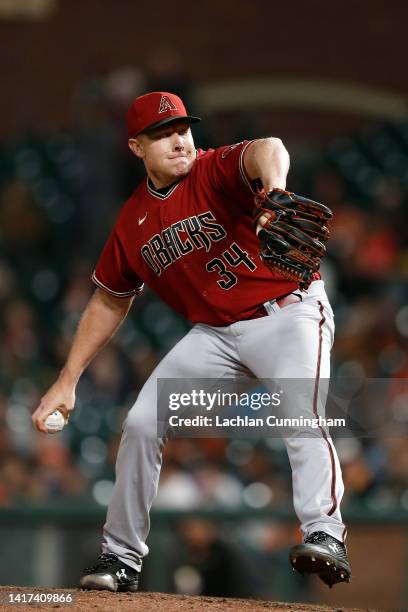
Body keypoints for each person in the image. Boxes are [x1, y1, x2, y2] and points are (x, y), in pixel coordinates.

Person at [32, 91, 351, 592]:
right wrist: (67, 379)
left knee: (302, 414)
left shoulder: (214, 168)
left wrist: (275, 191)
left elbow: (268, 147)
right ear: (137, 147)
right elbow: (109, 299)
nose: (179, 140)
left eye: (182, 128)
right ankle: (120, 558)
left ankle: (325, 534)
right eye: (163, 134)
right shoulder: (133, 221)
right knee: (140, 423)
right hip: (216, 337)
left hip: (287, 313)